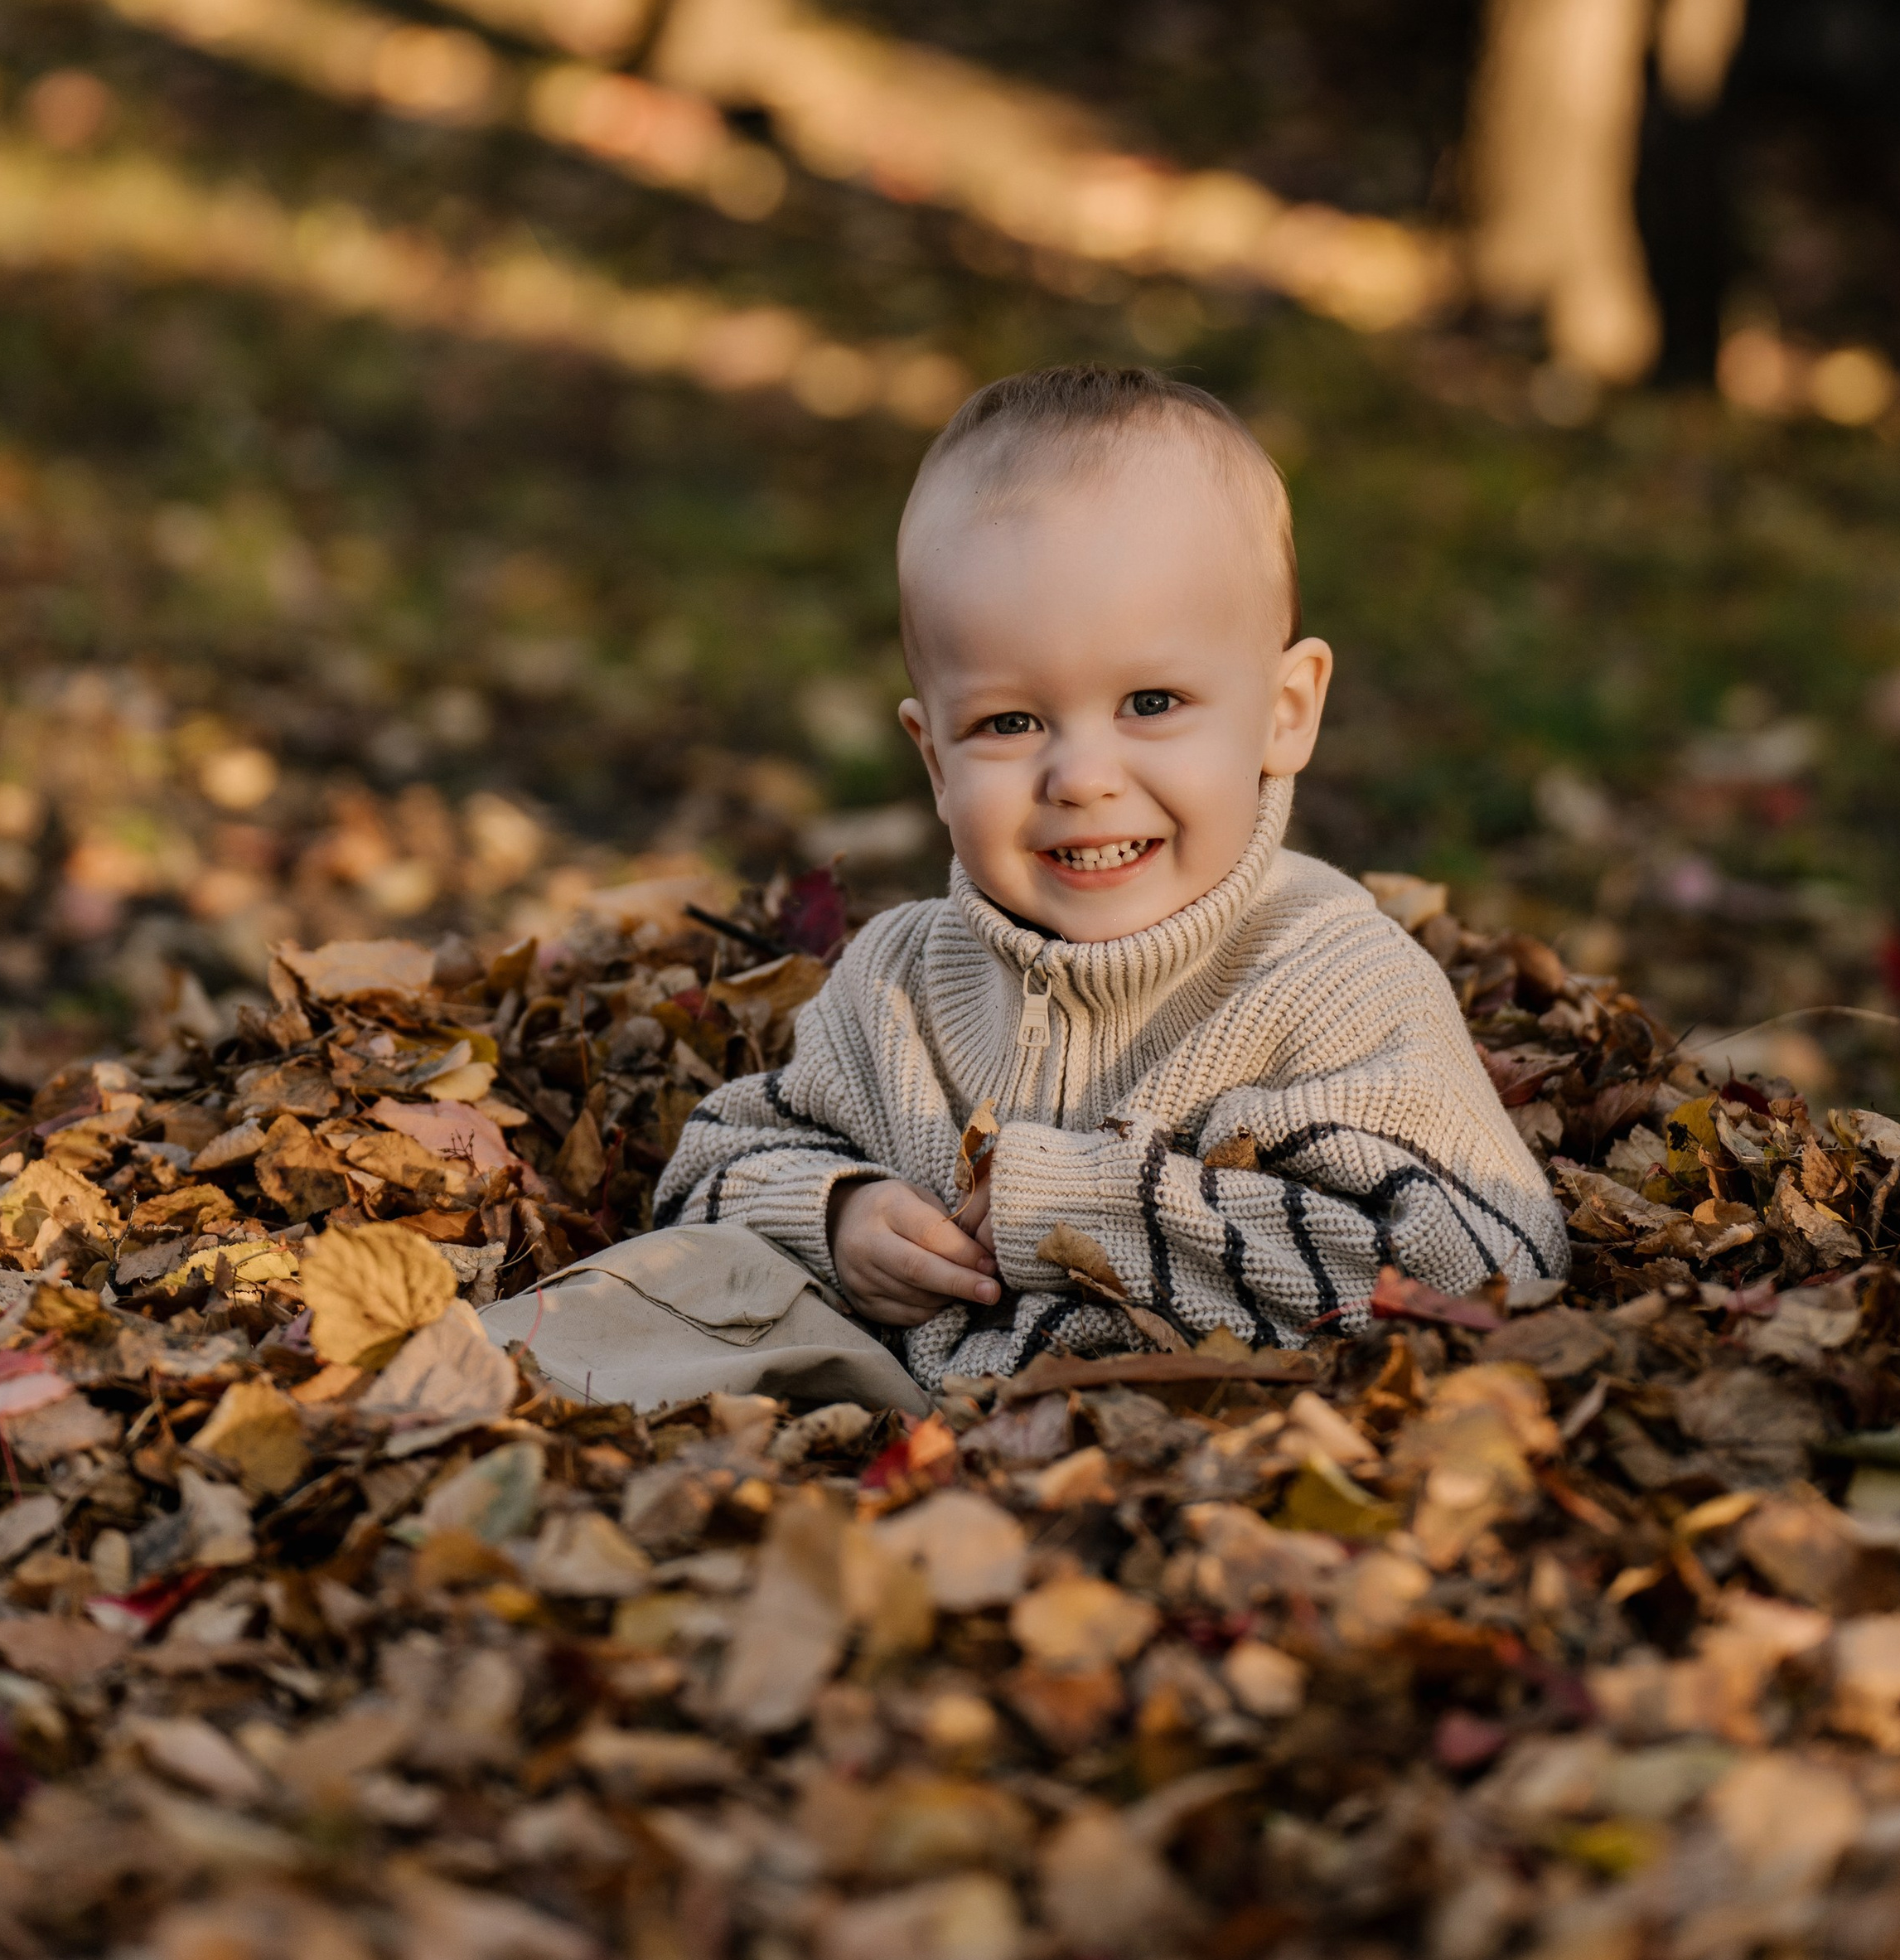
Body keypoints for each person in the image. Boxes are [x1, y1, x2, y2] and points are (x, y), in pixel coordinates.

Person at [641, 362, 1566, 1401]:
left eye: (1152, 701)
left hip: (1208, 1471)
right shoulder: (899, 985)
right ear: (935, 759)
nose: (1081, 777)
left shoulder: (1328, 982)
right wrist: (836, 1213)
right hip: (903, 1449)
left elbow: (1492, 1262)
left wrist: (1101, 1211)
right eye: (1008, 723)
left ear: (1285, 710)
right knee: (623, 1317)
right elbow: (706, 1170)